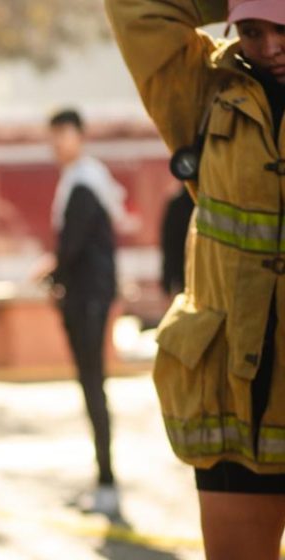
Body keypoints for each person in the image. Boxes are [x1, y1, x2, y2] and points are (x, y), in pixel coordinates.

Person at [107, 0, 285, 556]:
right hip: (235, 403)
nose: (270, 48)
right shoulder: (203, 89)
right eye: (252, 30)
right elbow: (135, 8)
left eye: (284, 28)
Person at [45, 108, 129, 517]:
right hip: (89, 296)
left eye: (65, 133)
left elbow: (72, 246)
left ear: (81, 135)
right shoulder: (80, 179)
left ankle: (107, 482)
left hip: (87, 300)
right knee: (92, 385)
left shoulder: (84, 181)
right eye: (54, 135)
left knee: (93, 385)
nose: (58, 142)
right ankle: (103, 478)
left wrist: (53, 274)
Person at [160, 187, 195, 297]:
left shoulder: (178, 203)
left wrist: (167, 277)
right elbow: (170, 244)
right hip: (185, 273)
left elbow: (169, 244)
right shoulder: (178, 204)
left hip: (185, 274)